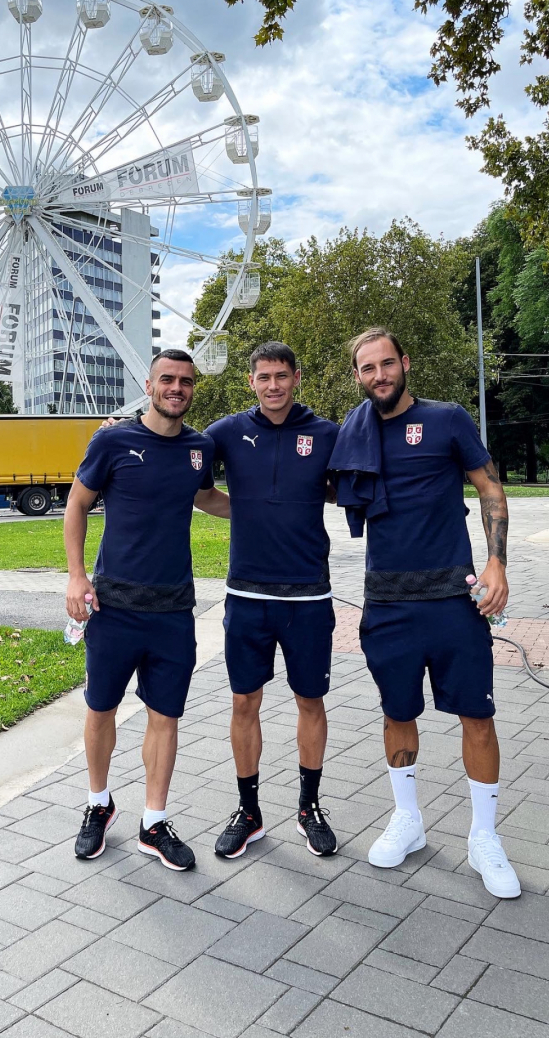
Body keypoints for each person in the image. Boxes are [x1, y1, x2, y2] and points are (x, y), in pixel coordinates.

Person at [331, 327, 519, 899]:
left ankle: (484, 837)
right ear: (357, 376)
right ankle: (408, 820)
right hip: (387, 600)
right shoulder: (352, 434)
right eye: (368, 368)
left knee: (476, 715)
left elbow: (490, 488)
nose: (379, 375)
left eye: (387, 363)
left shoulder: (447, 419)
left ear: (405, 363)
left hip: (453, 599)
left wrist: (496, 563)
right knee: (397, 712)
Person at [64, 349, 221, 871]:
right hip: (114, 606)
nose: (177, 388)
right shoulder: (112, 440)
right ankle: (98, 805)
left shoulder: (200, 447)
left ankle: (154, 822)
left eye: (186, 381)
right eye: (167, 379)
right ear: (149, 386)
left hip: (174, 610)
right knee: (101, 708)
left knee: (165, 716)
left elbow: (206, 498)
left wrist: (272, 506)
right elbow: (77, 504)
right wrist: (76, 576)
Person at [205, 341, 341, 859]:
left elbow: (347, 486)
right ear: (251, 382)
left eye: (282, 376)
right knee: (244, 702)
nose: (273, 385)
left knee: (310, 701)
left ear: (296, 377)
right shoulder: (225, 432)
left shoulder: (326, 433)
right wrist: (247, 509)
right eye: (263, 377)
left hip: (309, 595)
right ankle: (249, 812)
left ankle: (309, 808)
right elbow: (188, 477)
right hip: (246, 594)